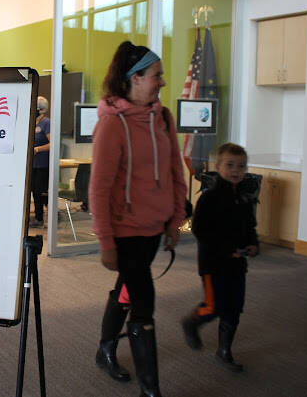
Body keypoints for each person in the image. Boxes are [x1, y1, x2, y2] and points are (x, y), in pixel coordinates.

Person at [89, 41, 186, 397]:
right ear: (135, 78)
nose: (161, 81)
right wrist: (105, 241)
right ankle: (151, 390)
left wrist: (176, 221)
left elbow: (176, 170)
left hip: (153, 227)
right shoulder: (113, 125)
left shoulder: (163, 117)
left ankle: (105, 349)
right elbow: (98, 188)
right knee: (144, 302)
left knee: (126, 291)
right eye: (156, 75)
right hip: (125, 232)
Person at [180, 143, 259, 373]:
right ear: (218, 166)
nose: (236, 170)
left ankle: (224, 351)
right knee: (214, 307)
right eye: (230, 165)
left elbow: (250, 227)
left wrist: (253, 244)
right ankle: (191, 322)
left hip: (237, 265)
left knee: (234, 309)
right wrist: (226, 249)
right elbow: (201, 230)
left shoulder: (245, 199)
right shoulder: (209, 197)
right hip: (213, 264)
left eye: (241, 166)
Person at [30, 96, 50, 228]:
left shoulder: (46, 123)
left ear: (40, 109)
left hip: (43, 163)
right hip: (32, 164)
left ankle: (40, 218)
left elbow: (52, 143)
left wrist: (37, 149)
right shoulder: (33, 122)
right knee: (33, 190)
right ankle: (39, 216)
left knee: (39, 191)